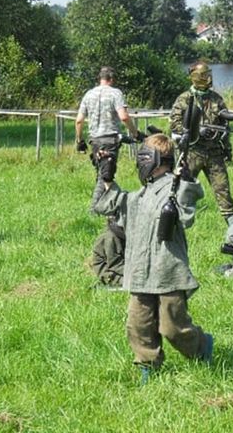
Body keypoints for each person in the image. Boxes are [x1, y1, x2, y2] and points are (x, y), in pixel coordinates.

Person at [93, 133, 213, 384]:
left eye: (142, 157)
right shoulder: (139, 196)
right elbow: (105, 206)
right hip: (140, 273)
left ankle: (202, 347)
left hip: (168, 271)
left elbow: (185, 215)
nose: (139, 163)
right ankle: (147, 366)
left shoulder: (174, 188)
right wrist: (105, 177)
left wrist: (187, 181)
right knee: (138, 325)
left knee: (173, 328)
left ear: (154, 159)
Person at [169, 62, 233, 221]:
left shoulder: (216, 98)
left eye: (209, 74)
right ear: (196, 78)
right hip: (192, 152)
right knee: (183, 188)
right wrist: (195, 130)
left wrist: (227, 148)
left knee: (223, 190)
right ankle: (176, 220)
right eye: (205, 75)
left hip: (214, 152)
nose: (209, 78)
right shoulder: (185, 98)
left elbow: (224, 126)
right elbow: (174, 123)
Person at [75, 66, 144, 211]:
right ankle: (95, 209)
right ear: (112, 79)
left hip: (95, 140)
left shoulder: (88, 94)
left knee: (101, 173)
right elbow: (124, 117)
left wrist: (79, 140)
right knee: (105, 176)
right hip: (110, 140)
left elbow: (79, 120)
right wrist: (135, 133)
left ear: (100, 79)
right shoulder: (115, 93)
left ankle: (103, 207)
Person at [90, 216, 125, 288]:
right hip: (109, 272)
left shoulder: (122, 234)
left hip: (123, 267)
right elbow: (115, 264)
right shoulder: (111, 238)